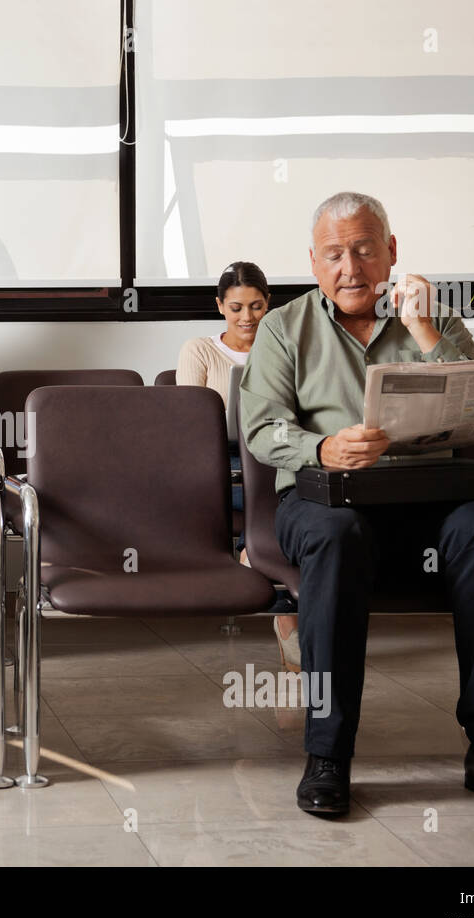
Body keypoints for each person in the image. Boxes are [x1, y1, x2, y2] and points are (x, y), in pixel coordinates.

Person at [240, 191, 474, 817]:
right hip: (323, 501)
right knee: (337, 534)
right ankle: (328, 752)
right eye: (333, 254)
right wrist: (324, 446)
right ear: (313, 261)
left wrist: (425, 333)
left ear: (391, 252)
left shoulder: (437, 321)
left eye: (363, 250)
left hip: (428, 498)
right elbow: (261, 430)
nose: (350, 267)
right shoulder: (284, 327)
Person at [176, 262, 300, 673]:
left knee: (305, 495)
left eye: (256, 306)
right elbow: (188, 425)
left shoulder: (285, 347)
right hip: (222, 464)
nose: (247, 317)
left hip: (278, 457)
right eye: (236, 308)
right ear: (219, 306)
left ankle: (255, 556)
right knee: (280, 503)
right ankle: (286, 618)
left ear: (269, 304)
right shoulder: (200, 350)